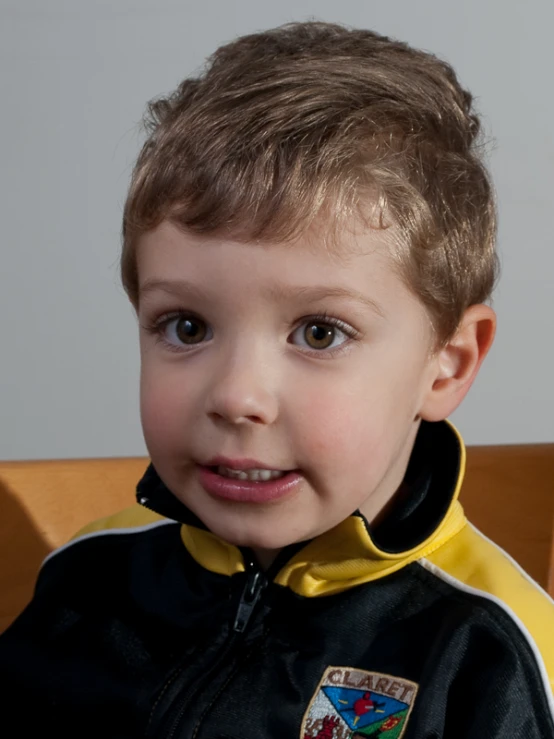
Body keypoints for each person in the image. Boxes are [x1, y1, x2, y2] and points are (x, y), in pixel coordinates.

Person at [0, 20, 552, 738]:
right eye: (187, 326)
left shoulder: (492, 658)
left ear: (446, 364)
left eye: (319, 332)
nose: (236, 395)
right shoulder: (88, 579)